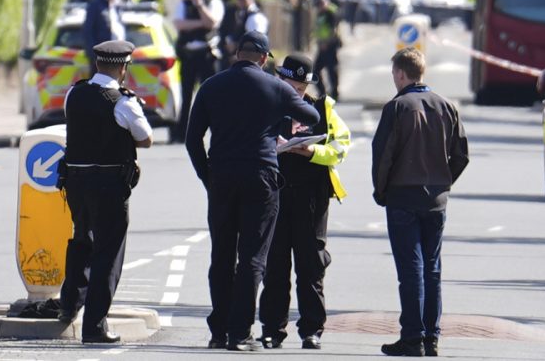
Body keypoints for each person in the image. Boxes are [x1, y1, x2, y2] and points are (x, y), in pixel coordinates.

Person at [185, 31, 320, 352]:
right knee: (253, 258)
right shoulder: (275, 88)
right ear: (263, 58)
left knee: (221, 255)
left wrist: (208, 177)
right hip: (260, 177)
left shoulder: (212, 86)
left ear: (236, 53)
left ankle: (218, 330)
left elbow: (193, 140)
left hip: (221, 178)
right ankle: (240, 333)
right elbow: (312, 116)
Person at [372, 48, 469, 357]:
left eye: (393, 75)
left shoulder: (397, 107)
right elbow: (461, 154)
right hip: (436, 199)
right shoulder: (447, 106)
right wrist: (443, 181)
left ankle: (412, 336)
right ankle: (432, 336)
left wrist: (381, 190)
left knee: (411, 269)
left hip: (402, 195)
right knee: (432, 267)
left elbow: (383, 156)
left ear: (401, 74)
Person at [58, 40, 153, 344]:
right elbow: (146, 138)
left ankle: (69, 305)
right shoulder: (122, 101)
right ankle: (95, 325)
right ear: (124, 68)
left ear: (97, 63)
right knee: (107, 253)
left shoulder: (74, 93)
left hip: (75, 182)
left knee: (82, 238)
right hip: (109, 185)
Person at [258, 54, 350, 350]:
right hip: (275, 194)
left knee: (311, 266)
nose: (296, 91)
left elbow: (340, 147)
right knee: (275, 265)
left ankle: (312, 329)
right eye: (291, 84)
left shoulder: (323, 108)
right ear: (280, 79)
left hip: (313, 196)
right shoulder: (268, 105)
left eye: (301, 86)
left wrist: (312, 152)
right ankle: (272, 329)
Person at [171, 0, 224, 143]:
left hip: (207, 55)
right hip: (188, 56)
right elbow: (179, 24)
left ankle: (217, 131)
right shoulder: (183, 4)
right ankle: (181, 133)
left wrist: (200, 6)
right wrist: (201, 23)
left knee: (212, 95)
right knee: (185, 95)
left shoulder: (213, 3)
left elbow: (212, 22)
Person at [83, 0, 126, 71]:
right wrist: (95, 56)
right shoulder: (95, 5)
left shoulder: (118, 6)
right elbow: (88, 30)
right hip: (102, 59)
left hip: (118, 59)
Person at [219, 0, 269, 68]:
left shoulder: (255, 17)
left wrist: (239, 53)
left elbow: (256, 42)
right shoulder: (237, 13)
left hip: (249, 62)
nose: (240, 1)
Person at [312, 0, 341, 101]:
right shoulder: (321, 14)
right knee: (315, 70)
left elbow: (334, 30)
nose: (320, 6)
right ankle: (322, 92)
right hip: (322, 46)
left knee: (331, 70)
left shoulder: (331, 13)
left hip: (330, 46)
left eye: (321, 4)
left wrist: (326, 42)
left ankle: (334, 93)